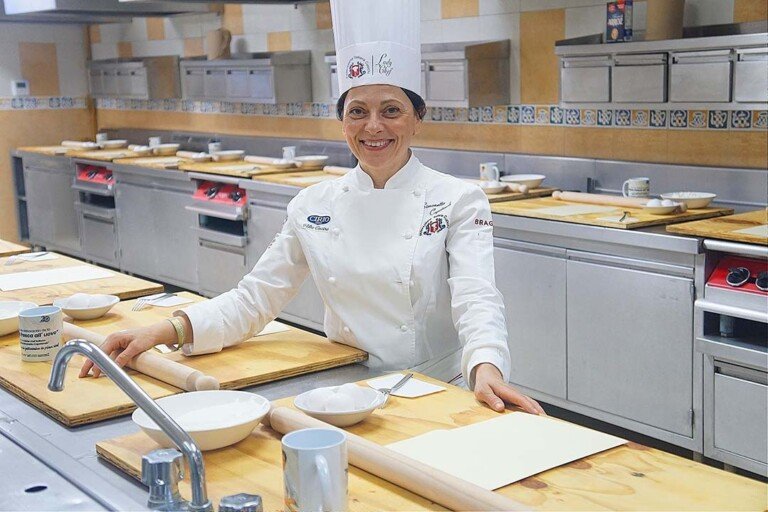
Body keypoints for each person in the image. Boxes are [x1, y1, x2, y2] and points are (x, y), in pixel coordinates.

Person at [80, 0, 544, 416]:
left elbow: (476, 297)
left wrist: (486, 367)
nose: (373, 126)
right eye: (357, 111)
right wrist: (163, 331)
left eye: (391, 110)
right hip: (346, 391)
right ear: (342, 121)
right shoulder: (313, 205)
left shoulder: (458, 199)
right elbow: (254, 299)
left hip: (435, 391)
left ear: (418, 119)